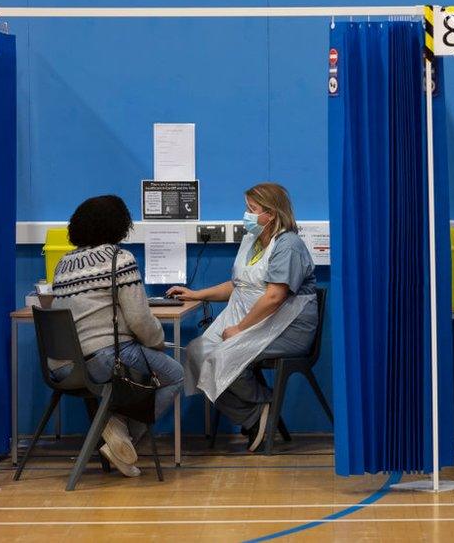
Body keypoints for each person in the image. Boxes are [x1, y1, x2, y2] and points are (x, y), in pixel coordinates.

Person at [169, 183, 318, 452]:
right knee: (197, 353)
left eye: (252, 209)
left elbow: (275, 296)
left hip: (286, 326)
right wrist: (196, 294)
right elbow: (239, 285)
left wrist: (239, 329)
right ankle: (257, 411)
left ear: (271, 214)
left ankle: (259, 409)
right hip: (249, 319)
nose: (246, 214)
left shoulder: (289, 245)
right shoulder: (252, 241)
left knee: (223, 357)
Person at [51, 195, 184, 478]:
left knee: (138, 369)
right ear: (120, 225)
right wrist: (157, 343)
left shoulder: (63, 264)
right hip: (103, 360)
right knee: (174, 374)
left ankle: (116, 430)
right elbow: (139, 319)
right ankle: (120, 433)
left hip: (64, 366)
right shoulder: (119, 259)